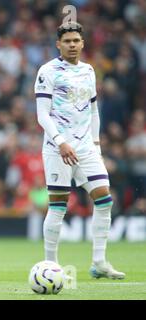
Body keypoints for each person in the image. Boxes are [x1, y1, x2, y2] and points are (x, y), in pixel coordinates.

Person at [34, 22, 125, 279]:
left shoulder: (88, 71)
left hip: (86, 148)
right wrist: (60, 141)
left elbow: (93, 110)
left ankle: (99, 262)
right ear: (58, 45)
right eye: (67, 41)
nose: (72, 45)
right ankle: (51, 266)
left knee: (105, 199)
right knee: (58, 206)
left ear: (83, 43)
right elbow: (42, 114)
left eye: (76, 40)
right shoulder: (48, 71)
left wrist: (95, 144)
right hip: (57, 148)